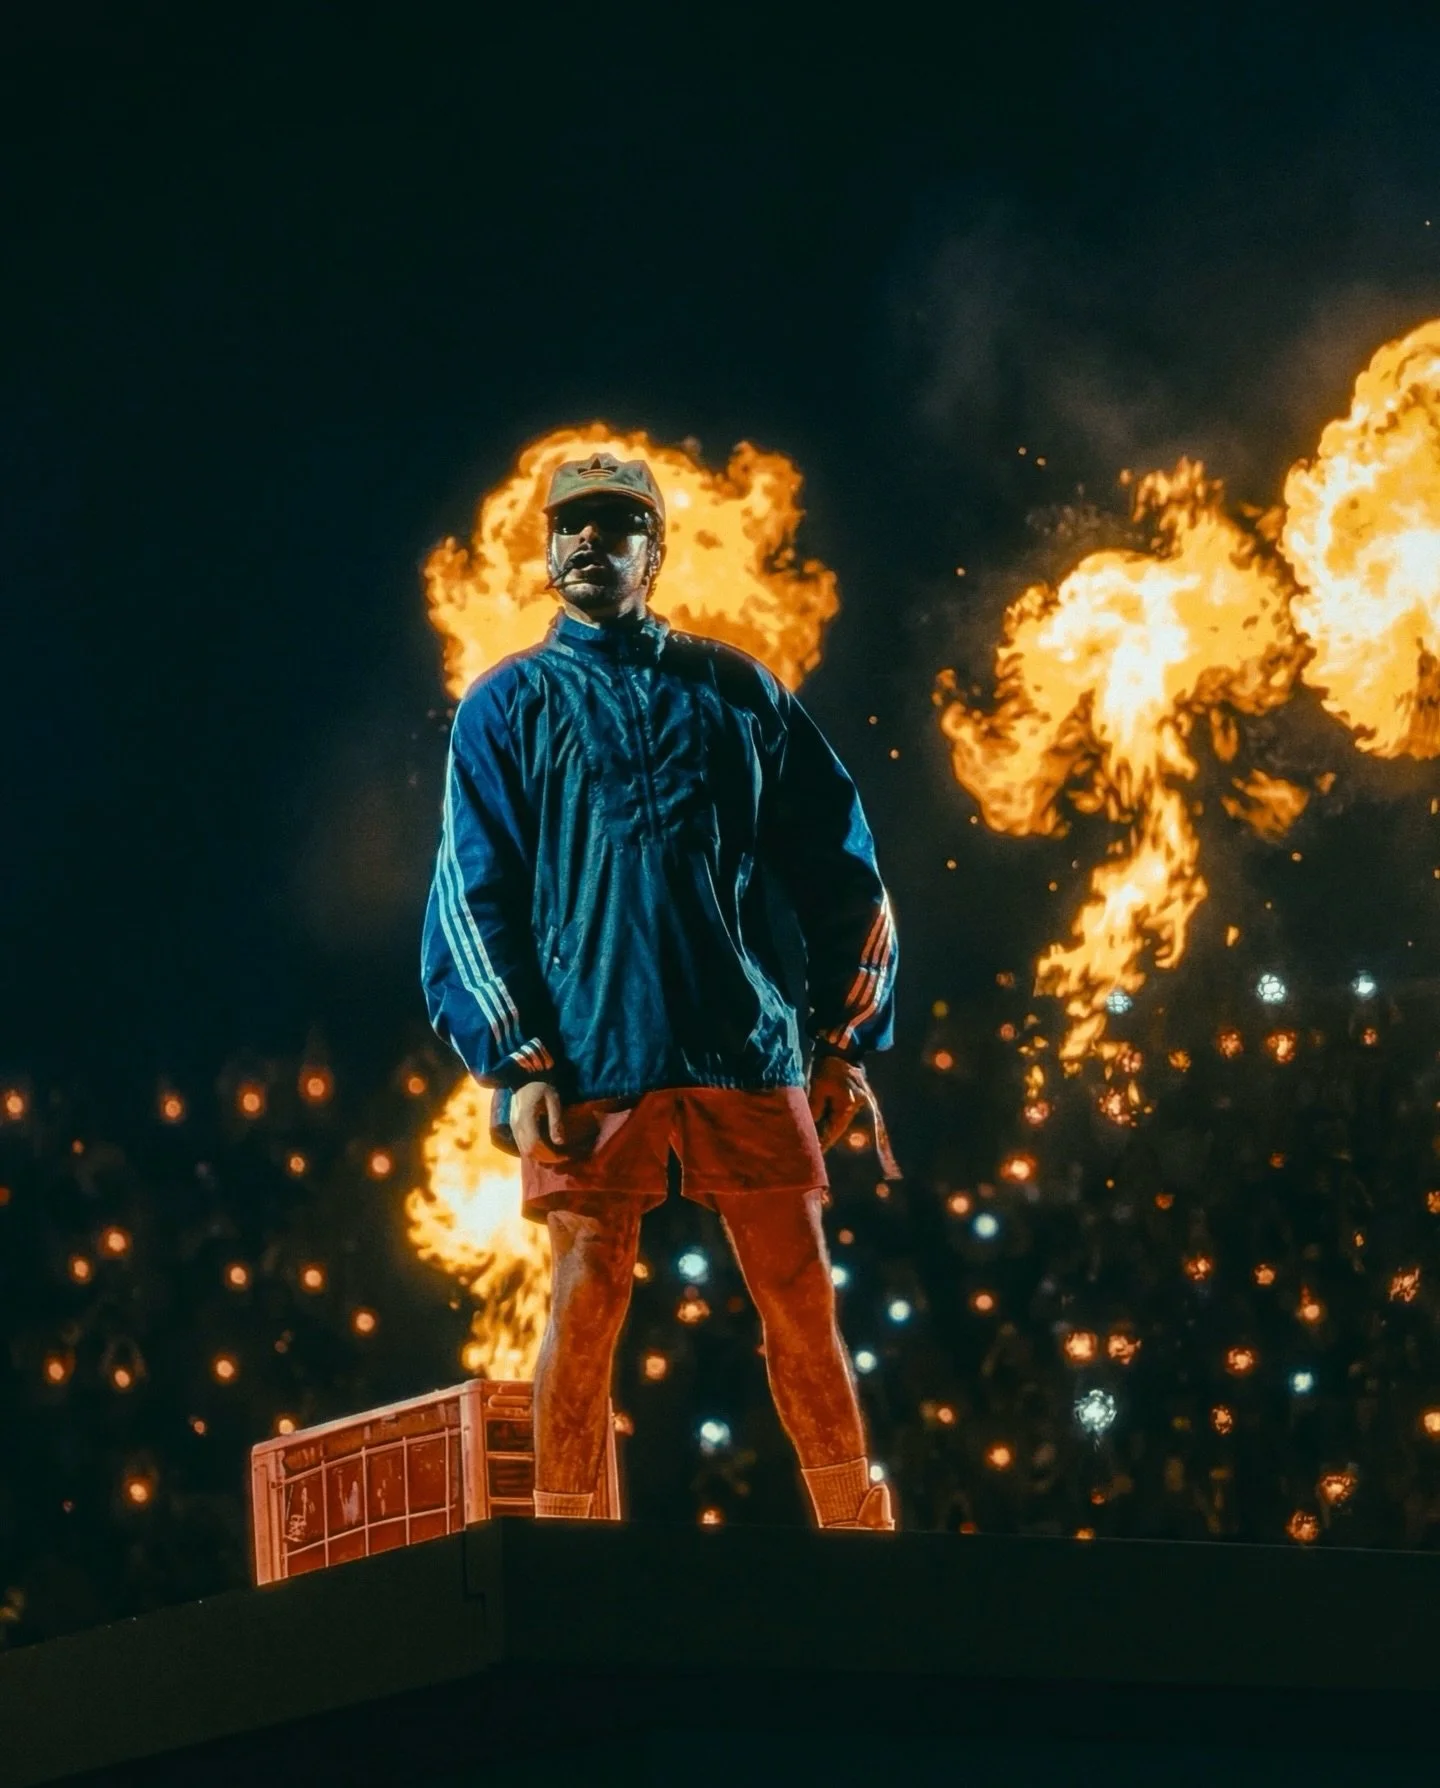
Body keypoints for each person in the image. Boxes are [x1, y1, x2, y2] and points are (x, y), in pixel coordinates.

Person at [422, 451, 900, 1530]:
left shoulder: (739, 691)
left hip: (746, 1048)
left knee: (800, 1293)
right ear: (549, 550)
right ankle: (564, 1544)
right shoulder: (505, 706)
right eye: (573, 525)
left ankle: (855, 1536)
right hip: (592, 1053)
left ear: (657, 550)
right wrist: (518, 1063)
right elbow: (470, 896)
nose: (591, 540)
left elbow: (844, 868)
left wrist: (841, 1042)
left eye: (618, 524)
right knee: (586, 1295)